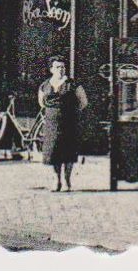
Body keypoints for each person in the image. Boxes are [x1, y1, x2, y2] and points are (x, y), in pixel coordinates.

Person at [37, 57, 88, 191]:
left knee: (68, 152)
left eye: (63, 67)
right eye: (58, 67)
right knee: (53, 151)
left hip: (68, 122)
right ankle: (56, 180)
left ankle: (67, 181)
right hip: (52, 123)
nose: (61, 69)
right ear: (51, 69)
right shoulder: (45, 85)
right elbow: (42, 103)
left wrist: (71, 112)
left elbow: (83, 102)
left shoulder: (73, 84)